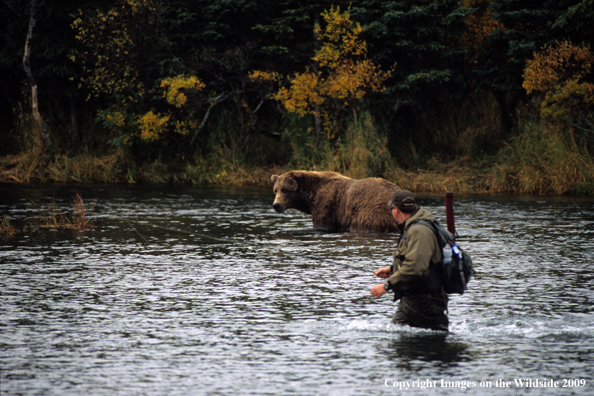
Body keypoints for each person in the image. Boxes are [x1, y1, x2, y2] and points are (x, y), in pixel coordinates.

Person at [370, 190, 449, 331]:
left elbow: (416, 267)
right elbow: (417, 259)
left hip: (426, 300)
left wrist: (387, 286)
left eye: (391, 208)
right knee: (397, 339)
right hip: (411, 297)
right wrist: (392, 269)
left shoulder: (419, 230)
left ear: (396, 210)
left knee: (436, 342)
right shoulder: (413, 227)